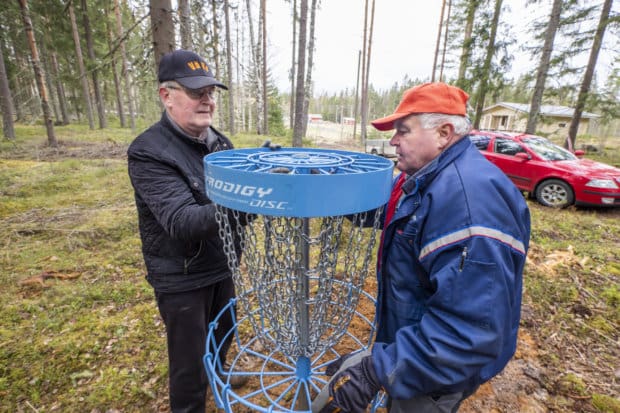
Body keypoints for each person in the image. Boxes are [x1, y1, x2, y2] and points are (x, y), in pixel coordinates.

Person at [312, 82, 531, 413]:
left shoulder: (468, 206)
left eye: (403, 131)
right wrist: (324, 186)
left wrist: (378, 370)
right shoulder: (425, 177)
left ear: (443, 133)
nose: (393, 141)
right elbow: (391, 211)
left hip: (438, 374)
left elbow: (469, 333)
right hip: (418, 350)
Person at [127, 49, 246, 413]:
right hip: (181, 277)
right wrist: (253, 197)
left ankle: (219, 370)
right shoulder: (149, 152)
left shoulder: (220, 144)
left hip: (222, 264)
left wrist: (260, 194)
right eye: (197, 92)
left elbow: (236, 212)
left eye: (211, 91)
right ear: (167, 96)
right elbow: (182, 222)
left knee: (223, 331)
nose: (207, 100)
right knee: (188, 364)